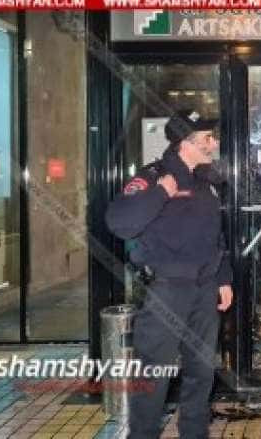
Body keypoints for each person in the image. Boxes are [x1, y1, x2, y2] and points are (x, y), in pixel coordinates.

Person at [105, 109, 233, 439]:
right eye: (207, 138)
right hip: (166, 292)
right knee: (154, 372)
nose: (214, 143)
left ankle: (194, 433)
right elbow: (120, 223)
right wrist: (161, 192)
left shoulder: (207, 181)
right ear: (185, 143)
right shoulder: (153, 177)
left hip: (204, 290)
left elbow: (216, 237)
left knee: (201, 371)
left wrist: (223, 279)